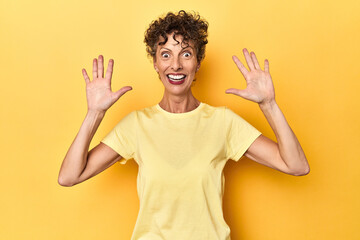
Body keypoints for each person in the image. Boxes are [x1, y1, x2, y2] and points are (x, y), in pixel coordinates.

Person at [58, 10, 310, 240]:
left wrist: (268, 105)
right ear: (156, 64)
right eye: (165, 55)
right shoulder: (136, 125)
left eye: (186, 54)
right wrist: (94, 114)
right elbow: (69, 176)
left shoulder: (223, 122)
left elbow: (296, 165)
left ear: (198, 62)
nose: (175, 65)